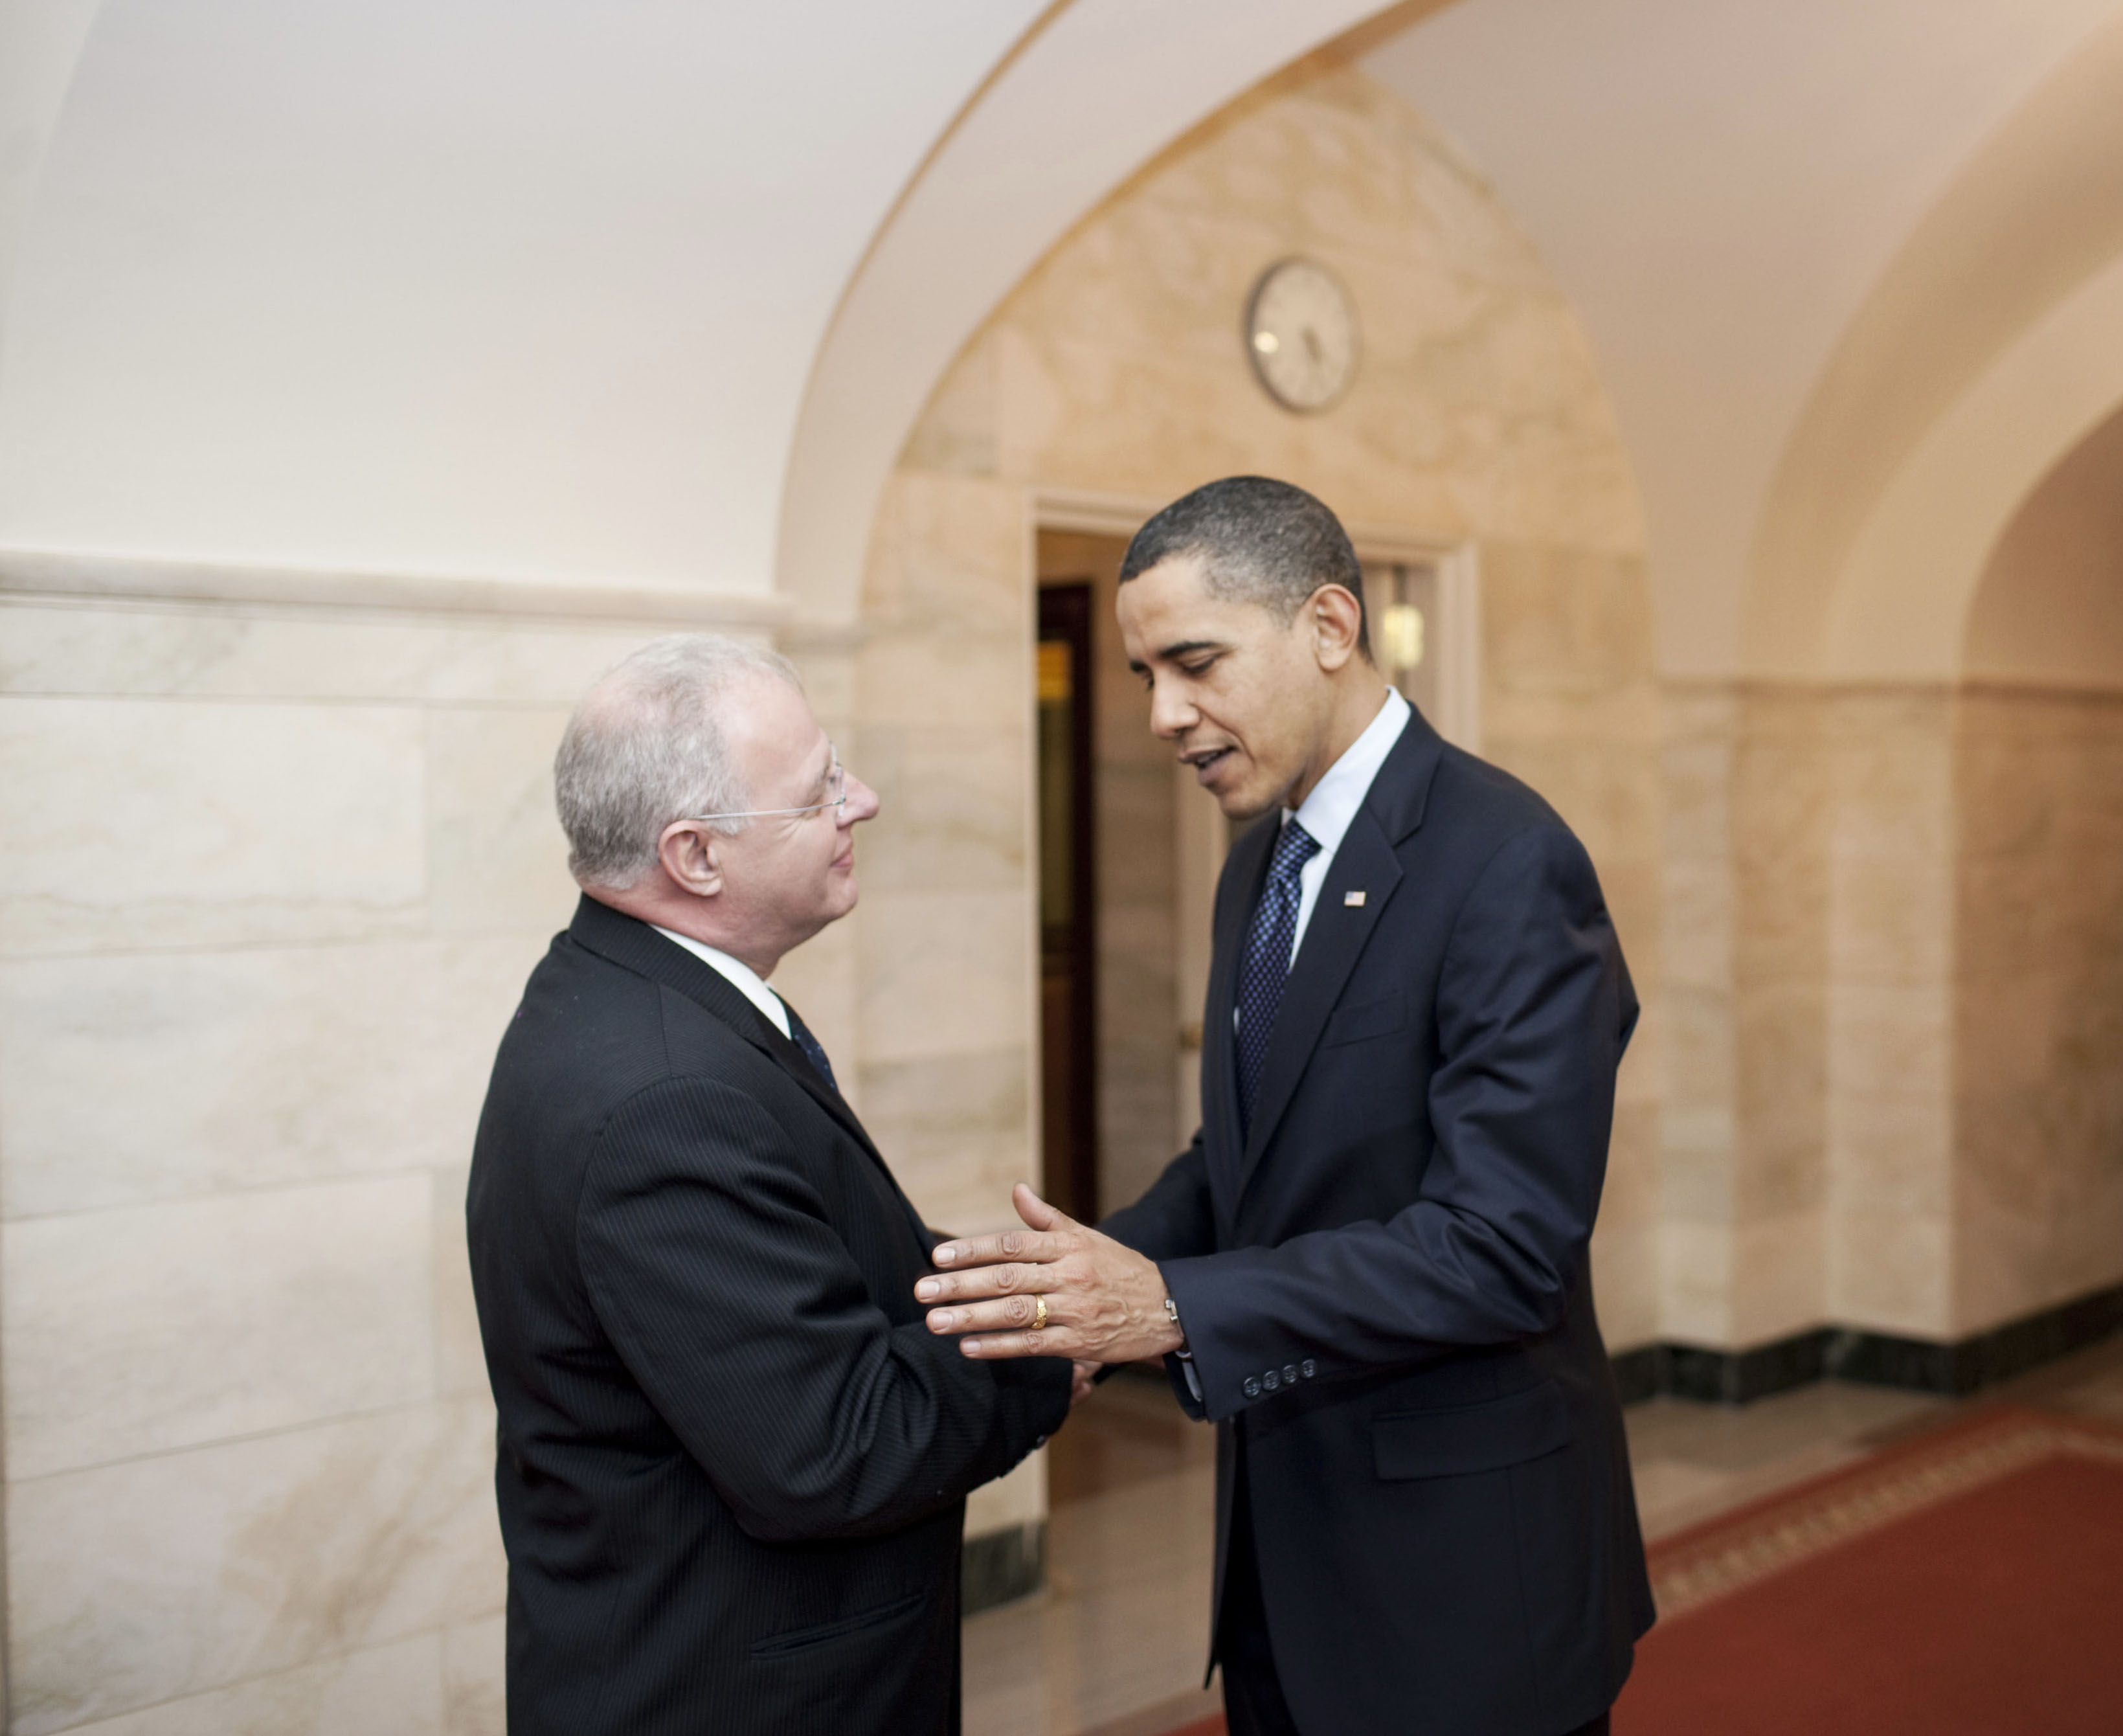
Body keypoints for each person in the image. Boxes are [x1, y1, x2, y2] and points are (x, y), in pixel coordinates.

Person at [917, 478, 1652, 1735]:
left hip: (1460, 1581)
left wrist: (1167, 1305)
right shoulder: (1256, 856)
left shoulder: (1502, 859)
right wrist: (1094, 1268)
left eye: (1193, 663)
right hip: (1281, 1559)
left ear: (1325, 625)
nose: (1161, 715)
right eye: (1145, 673)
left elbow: (1502, 1249)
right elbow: (1247, 1155)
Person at [466, 635, 1075, 1736]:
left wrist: (1023, 1270)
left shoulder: (631, 994)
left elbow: (810, 1258)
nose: (865, 801)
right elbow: (830, 1448)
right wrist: (1051, 1339)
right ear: (695, 856)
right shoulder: (660, 1093)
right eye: (820, 793)